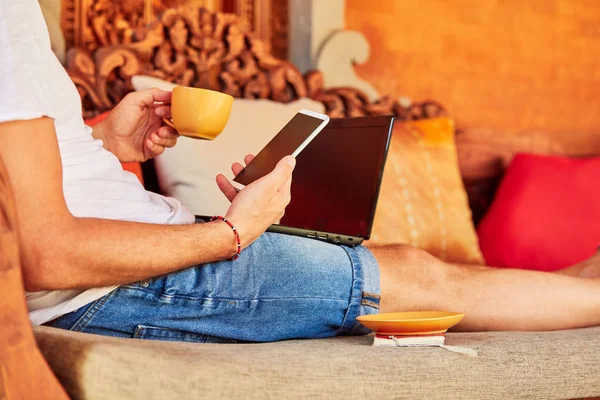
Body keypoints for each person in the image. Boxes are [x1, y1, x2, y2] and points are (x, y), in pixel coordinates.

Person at [1, 1, 599, 344]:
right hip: (102, 291)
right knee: (414, 277)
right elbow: (45, 254)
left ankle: (582, 285)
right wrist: (232, 233)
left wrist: (102, 137)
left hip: (113, 269)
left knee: (399, 261)